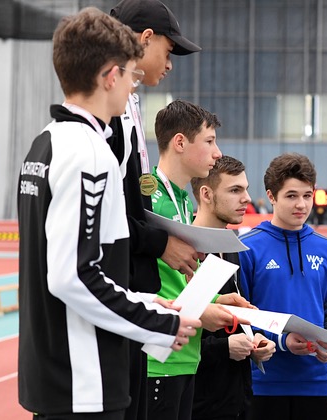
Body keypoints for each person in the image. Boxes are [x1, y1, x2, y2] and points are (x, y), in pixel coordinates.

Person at [16, 8, 201, 418]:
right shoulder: (90, 153)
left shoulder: (45, 143)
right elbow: (73, 276)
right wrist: (157, 323)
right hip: (84, 379)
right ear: (110, 76)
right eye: (132, 73)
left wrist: (147, 302)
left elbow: (74, 265)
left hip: (55, 373)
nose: (134, 85)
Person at [109, 1, 202, 419]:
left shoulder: (130, 106)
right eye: (169, 51)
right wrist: (160, 243)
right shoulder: (107, 117)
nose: (170, 64)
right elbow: (111, 216)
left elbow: (131, 199)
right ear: (145, 38)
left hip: (133, 299)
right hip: (119, 302)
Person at [146, 99, 247, 420]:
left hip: (185, 356)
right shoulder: (147, 198)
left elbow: (174, 282)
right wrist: (205, 311)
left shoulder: (180, 201)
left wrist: (216, 300)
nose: (217, 152)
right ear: (180, 143)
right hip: (156, 358)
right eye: (209, 141)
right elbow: (140, 284)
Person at [238, 153, 327, 420]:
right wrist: (282, 341)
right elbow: (241, 317)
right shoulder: (247, 248)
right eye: (291, 196)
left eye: (307, 195)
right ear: (271, 196)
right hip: (263, 384)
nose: (301, 204)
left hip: (315, 383)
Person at [190, 156, 277, 420]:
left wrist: (254, 341)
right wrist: (224, 348)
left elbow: (231, 319)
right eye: (235, 190)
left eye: (246, 189)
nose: (247, 198)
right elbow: (165, 334)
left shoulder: (230, 248)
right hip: (197, 404)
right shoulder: (183, 251)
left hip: (237, 400)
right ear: (206, 194)